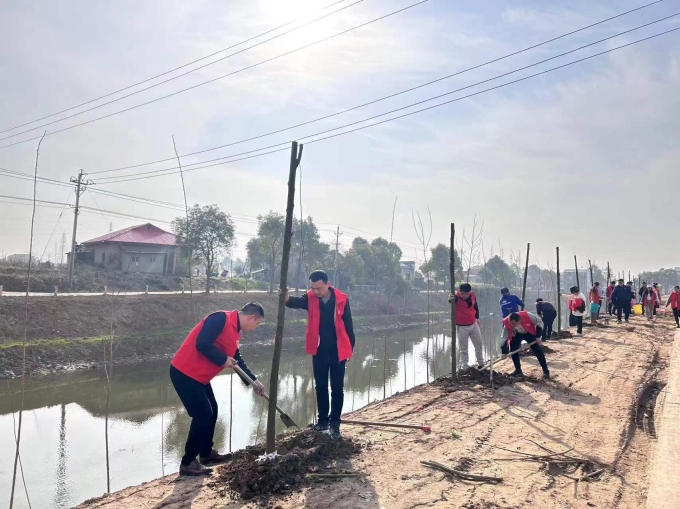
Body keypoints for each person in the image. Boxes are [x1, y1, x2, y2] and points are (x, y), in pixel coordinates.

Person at [170, 302, 266, 476]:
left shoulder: (235, 332)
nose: (255, 327)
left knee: (212, 410)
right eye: (257, 323)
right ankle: (188, 462)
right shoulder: (220, 319)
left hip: (199, 377)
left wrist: (254, 382)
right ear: (251, 317)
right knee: (203, 413)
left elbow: (237, 360)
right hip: (184, 372)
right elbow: (202, 343)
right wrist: (222, 359)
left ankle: (206, 454)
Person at [282, 270, 355, 439]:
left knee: (337, 389)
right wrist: (285, 296)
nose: (315, 291)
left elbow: (349, 326)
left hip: (338, 350)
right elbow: (292, 302)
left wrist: (350, 349)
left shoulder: (342, 299)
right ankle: (322, 421)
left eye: (319, 288)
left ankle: (335, 423)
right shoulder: (310, 298)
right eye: (312, 288)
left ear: (327, 284)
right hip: (319, 350)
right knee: (320, 386)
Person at [501, 311, 550, 379]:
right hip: (517, 334)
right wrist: (504, 352)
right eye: (511, 324)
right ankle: (518, 370)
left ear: (519, 320)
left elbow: (540, 322)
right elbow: (504, 337)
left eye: (514, 324)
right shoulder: (506, 322)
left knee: (537, 350)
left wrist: (538, 336)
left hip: (529, 332)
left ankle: (545, 371)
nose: (512, 326)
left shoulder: (528, 315)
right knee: (513, 350)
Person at [448, 283, 485, 368]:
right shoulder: (456, 297)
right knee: (464, 348)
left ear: (470, 292)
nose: (465, 296)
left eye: (467, 294)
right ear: (459, 291)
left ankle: (481, 363)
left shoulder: (472, 295)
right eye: (463, 294)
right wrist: (449, 299)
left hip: (473, 324)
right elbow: (450, 300)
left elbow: (475, 306)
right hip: (462, 327)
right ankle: (465, 365)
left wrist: (477, 317)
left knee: (479, 344)